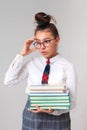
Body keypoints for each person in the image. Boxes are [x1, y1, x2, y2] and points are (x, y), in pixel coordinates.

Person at [4, 12, 77, 130]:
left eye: (47, 41)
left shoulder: (67, 66)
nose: (42, 47)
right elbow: (8, 81)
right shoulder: (32, 62)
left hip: (58, 117)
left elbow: (72, 102)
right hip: (32, 115)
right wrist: (22, 54)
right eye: (38, 42)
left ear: (57, 40)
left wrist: (54, 110)